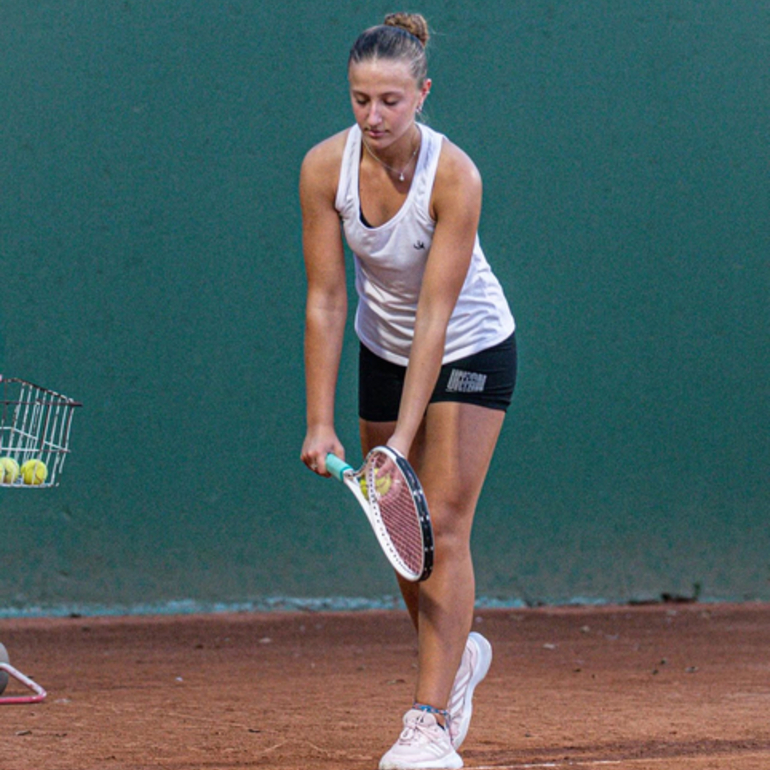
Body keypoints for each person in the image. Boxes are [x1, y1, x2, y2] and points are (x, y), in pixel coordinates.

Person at [299, 12, 516, 770]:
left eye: (391, 100)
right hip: (381, 349)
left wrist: (400, 436)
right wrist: (319, 420)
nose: (375, 116)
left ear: (423, 93)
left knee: (443, 523)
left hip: (469, 345)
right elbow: (327, 299)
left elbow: (436, 314)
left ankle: (428, 720)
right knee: (402, 534)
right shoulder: (324, 168)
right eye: (362, 100)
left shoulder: (455, 176)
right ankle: (455, 660)